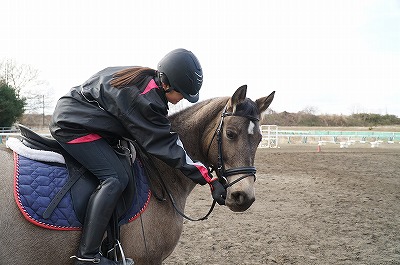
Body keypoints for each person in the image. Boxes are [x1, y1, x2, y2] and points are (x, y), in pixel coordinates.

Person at [50, 48, 227, 265]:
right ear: (167, 84)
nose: (181, 99)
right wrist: (208, 178)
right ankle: (87, 257)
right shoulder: (146, 99)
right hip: (74, 126)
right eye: (181, 93)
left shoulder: (145, 80)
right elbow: (165, 144)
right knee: (115, 178)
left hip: (83, 117)